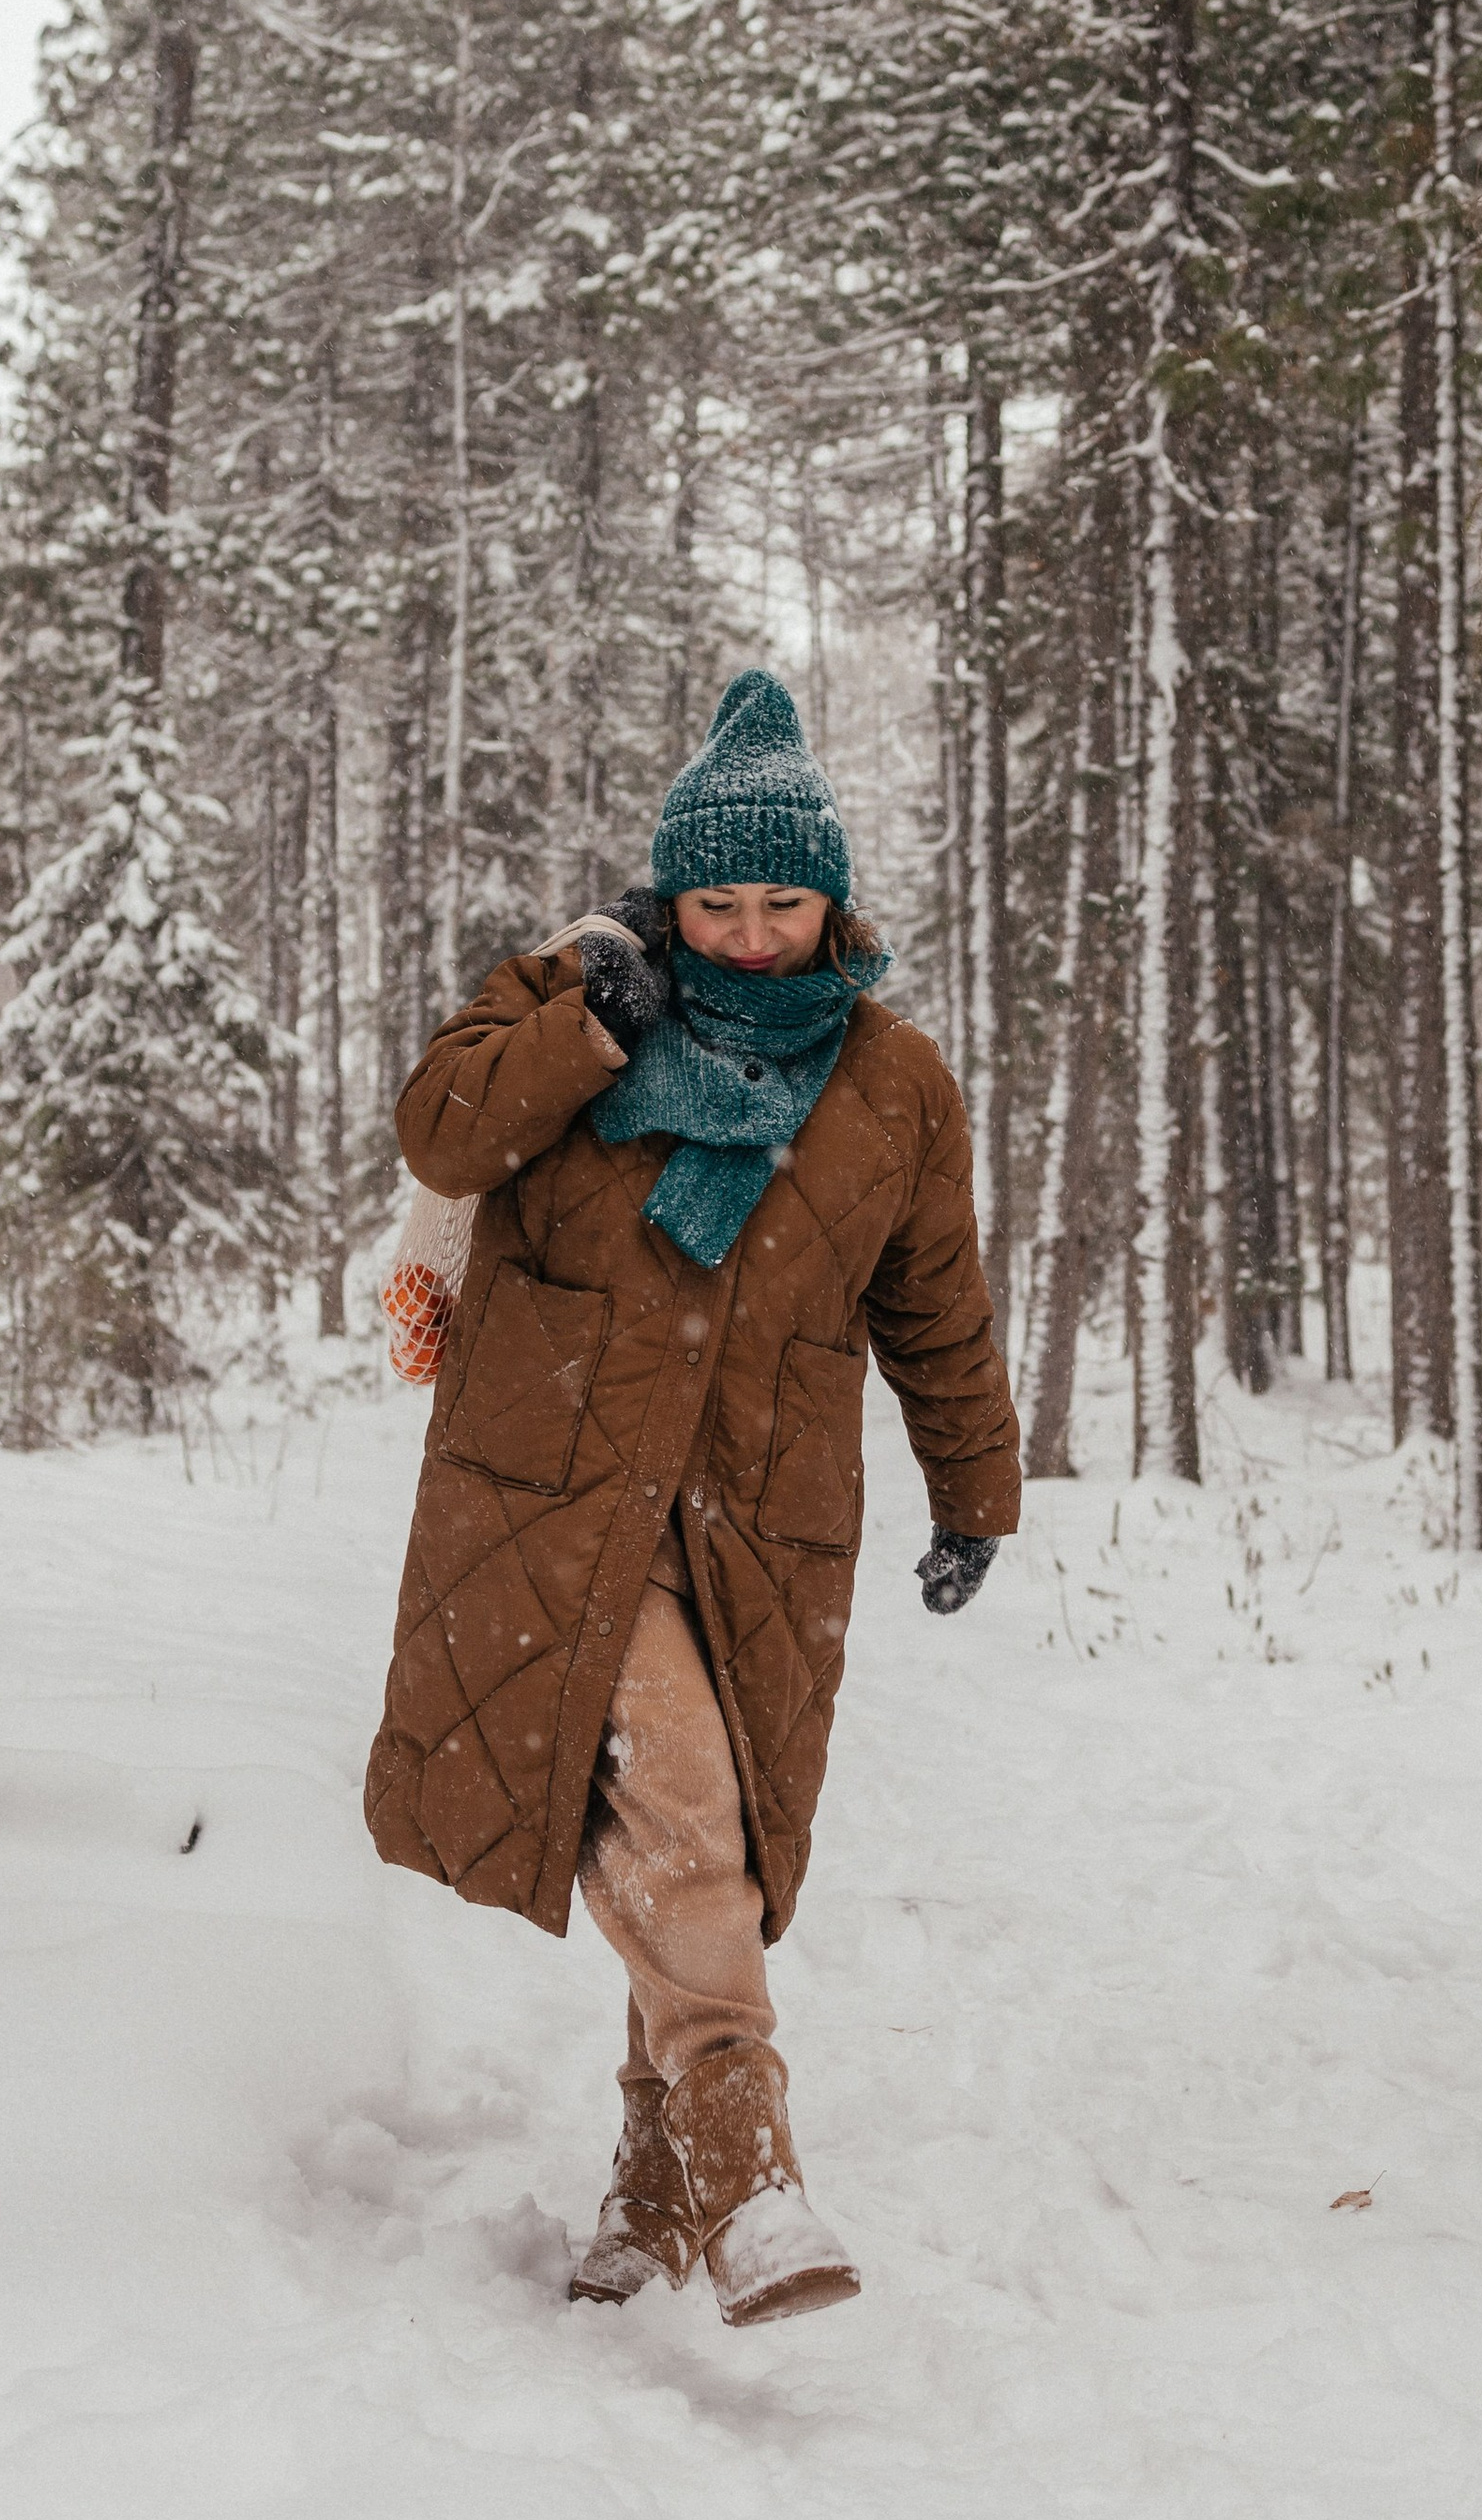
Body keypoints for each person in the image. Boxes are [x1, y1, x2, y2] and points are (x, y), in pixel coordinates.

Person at [365, 669, 1019, 2325]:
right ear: (673, 890)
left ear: (831, 900)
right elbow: (443, 1137)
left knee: (709, 1837)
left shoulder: (892, 1083)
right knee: (665, 1792)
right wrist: (584, 1018)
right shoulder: (580, 1002)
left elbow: (933, 1300)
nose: (742, 935)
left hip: (762, 1517)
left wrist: (975, 1493)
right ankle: (748, 2171)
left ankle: (643, 2201)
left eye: (778, 902)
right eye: (713, 900)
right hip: (557, 1494)